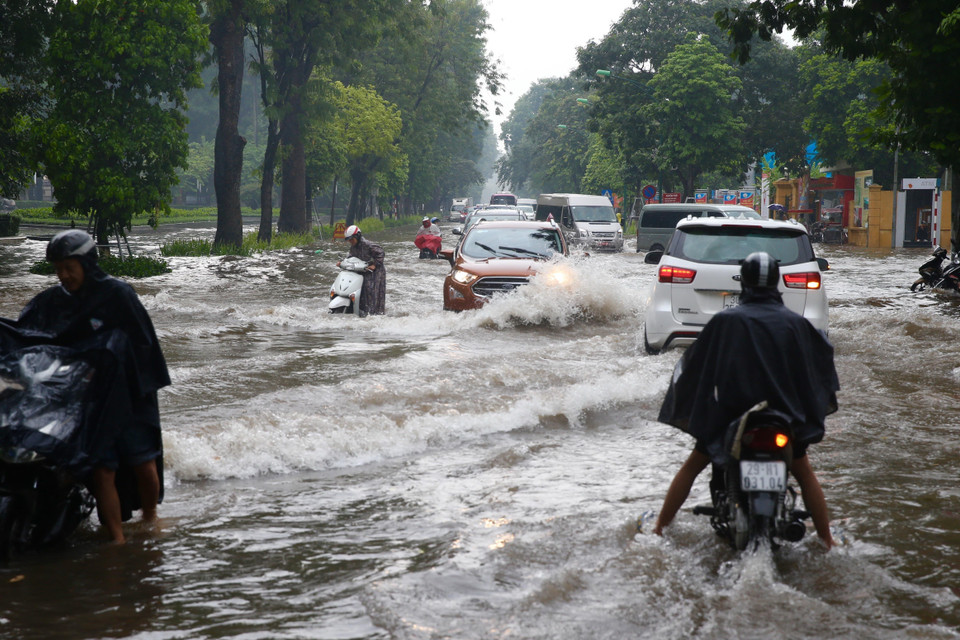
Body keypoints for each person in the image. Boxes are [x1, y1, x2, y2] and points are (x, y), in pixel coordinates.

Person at [653, 251, 839, 549]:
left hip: (729, 420)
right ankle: (828, 540)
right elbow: (821, 366)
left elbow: (693, 367)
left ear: (746, 282)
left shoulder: (725, 321)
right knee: (804, 472)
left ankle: (659, 530)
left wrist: (693, 405)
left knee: (693, 465)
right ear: (775, 283)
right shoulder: (797, 324)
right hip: (784, 420)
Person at [15, 230, 170, 543]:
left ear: (88, 263)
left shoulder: (119, 295)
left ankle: (151, 518)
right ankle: (116, 540)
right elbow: (28, 333)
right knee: (102, 470)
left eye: (69, 267)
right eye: (58, 269)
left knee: (142, 462)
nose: (64, 275)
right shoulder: (54, 301)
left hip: (131, 395)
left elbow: (144, 345)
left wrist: (116, 365)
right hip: (91, 400)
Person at [342, 224, 386, 315]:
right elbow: (351, 256)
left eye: (351, 239)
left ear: (357, 236)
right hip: (362, 271)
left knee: (372, 292)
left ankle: (374, 313)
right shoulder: (353, 246)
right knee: (361, 291)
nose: (350, 242)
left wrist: (374, 265)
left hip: (375, 272)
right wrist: (342, 262)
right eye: (349, 240)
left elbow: (381, 253)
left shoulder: (368, 245)